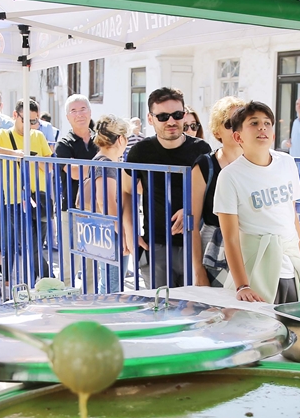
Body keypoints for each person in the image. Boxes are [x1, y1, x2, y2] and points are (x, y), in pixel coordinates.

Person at [214, 101, 300, 304]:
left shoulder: (287, 163)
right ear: (238, 137)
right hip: (257, 266)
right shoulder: (229, 176)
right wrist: (242, 285)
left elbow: (292, 216)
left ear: (273, 135)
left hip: (291, 263)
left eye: (267, 123)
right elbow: (230, 238)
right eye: (253, 123)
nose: (262, 127)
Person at [123, 87, 211, 289]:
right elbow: (126, 191)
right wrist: (131, 231)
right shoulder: (140, 151)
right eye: (163, 116)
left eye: (177, 115)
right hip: (156, 245)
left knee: (195, 311)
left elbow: (211, 194)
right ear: (151, 118)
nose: (171, 121)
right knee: (161, 312)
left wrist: (189, 209)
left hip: (195, 243)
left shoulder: (201, 149)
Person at [0, 99, 55, 283]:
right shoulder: (4, 135)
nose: (29, 125)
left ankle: (44, 284)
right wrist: (13, 154)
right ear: (15, 115)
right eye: (26, 119)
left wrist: (34, 161)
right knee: (31, 244)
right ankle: (49, 280)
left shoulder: (38, 136)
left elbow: (50, 166)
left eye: (33, 121)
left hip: (40, 198)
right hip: (15, 199)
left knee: (37, 245)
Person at [190, 95, 245, 287]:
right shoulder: (206, 165)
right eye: (230, 124)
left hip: (249, 245)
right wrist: (198, 271)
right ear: (217, 130)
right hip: (213, 251)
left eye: (242, 122)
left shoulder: (258, 162)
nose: (237, 128)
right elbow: (193, 223)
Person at [81, 114, 130, 293]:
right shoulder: (106, 163)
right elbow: (106, 201)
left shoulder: (100, 160)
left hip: (105, 230)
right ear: (121, 139)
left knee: (109, 283)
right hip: (112, 232)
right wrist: (125, 234)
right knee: (112, 287)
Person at [53, 94, 96, 210]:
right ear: (67, 117)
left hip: (101, 206)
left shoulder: (101, 140)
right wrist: (103, 166)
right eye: (73, 111)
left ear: (90, 112)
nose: (79, 114)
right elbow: (76, 173)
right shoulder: (63, 144)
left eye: (83, 109)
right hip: (73, 207)